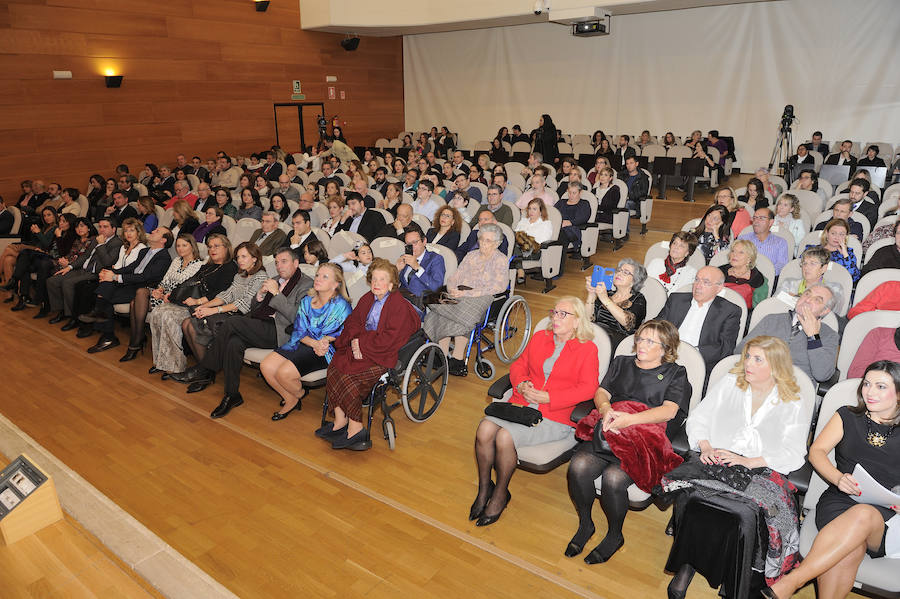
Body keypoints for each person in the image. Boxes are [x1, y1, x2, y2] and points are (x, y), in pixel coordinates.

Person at [664, 336, 807, 598]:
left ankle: (735, 575)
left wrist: (752, 460)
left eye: (757, 359)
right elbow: (699, 418)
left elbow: (795, 453)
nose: (748, 363)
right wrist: (705, 446)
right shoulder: (731, 383)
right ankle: (687, 565)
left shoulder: (792, 400)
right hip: (715, 461)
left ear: (775, 366)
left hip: (759, 469)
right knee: (692, 498)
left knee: (743, 513)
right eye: (748, 357)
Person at [765, 360, 900, 599]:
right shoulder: (847, 415)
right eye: (867, 384)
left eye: (880, 386)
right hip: (840, 500)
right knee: (849, 551)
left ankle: (793, 581)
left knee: (865, 514)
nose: (869, 391)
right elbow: (817, 452)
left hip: (886, 515)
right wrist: (838, 478)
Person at [565, 320, 689, 563]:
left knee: (613, 479)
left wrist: (630, 420)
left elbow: (669, 411)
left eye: (650, 341)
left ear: (665, 348)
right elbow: (602, 392)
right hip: (610, 430)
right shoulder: (622, 362)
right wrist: (606, 409)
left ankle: (614, 534)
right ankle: (586, 524)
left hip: (641, 438)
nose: (641, 344)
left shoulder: (676, 373)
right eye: (641, 338)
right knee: (578, 467)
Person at [473, 297, 600, 527]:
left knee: (503, 437)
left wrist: (551, 397)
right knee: (484, 429)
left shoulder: (587, 349)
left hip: (554, 415)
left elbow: (589, 388)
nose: (556, 317)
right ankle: (484, 489)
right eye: (555, 312)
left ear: (577, 321)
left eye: (564, 314)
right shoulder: (541, 337)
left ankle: (500, 494)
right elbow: (519, 365)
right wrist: (521, 383)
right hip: (522, 404)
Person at [177, 249, 314, 414]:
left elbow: (297, 317)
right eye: (277, 262)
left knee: (231, 322)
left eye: (283, 261)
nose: (279, 266)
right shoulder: (275, 279)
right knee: (234, 343)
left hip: (280, 331)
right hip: (261, 324)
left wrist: (276, 293)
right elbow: (255, 308)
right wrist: (260, 296)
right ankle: (232, 394)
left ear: (296, 263)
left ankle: (206, 368)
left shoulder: (306, 284)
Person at [314, 259, 421, 449]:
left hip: (381, 355)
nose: (376, 284)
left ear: (391, 284)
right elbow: (352, 322)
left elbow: (390, 338)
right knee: (335, 367)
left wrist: (361, 342)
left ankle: (356, 429)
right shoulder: (367, 298)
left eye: (382, 280)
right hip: (363, 348)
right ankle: (340, 422)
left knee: (349, 379)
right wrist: (356, 340)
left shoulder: (398, 306)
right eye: (374, 279)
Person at [259, 262, 351, 420]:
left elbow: (340, 334)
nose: (318, 279)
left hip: (327, 350)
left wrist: (322, 342)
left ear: (336, 284)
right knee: (266, 366)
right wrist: (313, 342)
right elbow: (299, 330)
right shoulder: (307, 301)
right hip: (305, 342)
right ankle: (294, 397)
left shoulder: (342, 305)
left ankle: (296, 394)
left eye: (325, 276)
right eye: (317, 275)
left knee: (283, 374)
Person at [145, 236, 240, 377]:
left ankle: (175, 365)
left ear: (226, 248)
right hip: (191, 301)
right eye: (210, 246)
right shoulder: (208, 265)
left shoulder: (230, 268)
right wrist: (172, 294)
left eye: (216, 246)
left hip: (204, 305)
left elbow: (221, 293)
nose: (212, 249)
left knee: (168, 315)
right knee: (158, 312)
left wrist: (198, 302)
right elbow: (189, 282)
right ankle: (162, 361)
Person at [424, 224, 508, 377]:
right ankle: (444, 356)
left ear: (497, 243)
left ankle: (456, 358)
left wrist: (468, 294)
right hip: (459, 292)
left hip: (481, 296)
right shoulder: (471, 255)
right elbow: (455, 276)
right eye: (482, 239)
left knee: (456, 313)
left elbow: (500, 286)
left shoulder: (500, 260)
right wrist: (452, 289)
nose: (483, 243)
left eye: (488, 241)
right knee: (439, 305)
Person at [81, 226, 174, 353]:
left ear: (163, 240)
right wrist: (111, 272)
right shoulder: (144, 251)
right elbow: (130, 268)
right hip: (130, 283)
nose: (152, 231)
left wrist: (115, 277)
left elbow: (145, 277)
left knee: (105, 296)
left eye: (157, 231)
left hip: (143, 289)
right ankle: (102, 322)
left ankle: (107, 333)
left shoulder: (164, 258)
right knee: (105, 285)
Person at [119, 233, 204, 362]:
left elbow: (186, 288)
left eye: (184, 245)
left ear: (192, 247)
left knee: (135, 302)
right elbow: (165, 280)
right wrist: (160, 290)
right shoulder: (176, 261)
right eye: (178, 246)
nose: (180, 249)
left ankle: (135, 343)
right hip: (164, 295)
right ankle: (137, 340)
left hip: (177, 300)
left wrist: (167, 295)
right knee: (140, 294)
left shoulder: (198, 265)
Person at [740, 283, 840, 382]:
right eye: (807, 294)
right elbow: (740, 351)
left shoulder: (829, 335)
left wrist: (813, 336)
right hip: (757, 380)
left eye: (817, 300)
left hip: (795, 389)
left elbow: (822, 375)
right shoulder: (771, 320)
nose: (808, 300)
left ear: (825, 311)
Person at [658, 266, 742, 378]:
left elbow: (725, 348)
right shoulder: (676, 300)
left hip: (698, 364)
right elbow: (657, 325)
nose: (698, 286)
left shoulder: (729, 311)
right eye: (697, 280)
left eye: (706, 282)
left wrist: (692, 354)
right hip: (664, 356)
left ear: (719, 288)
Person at [585, 258, 648, 348]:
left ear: (634, 281)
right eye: (619, 270)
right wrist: (591, 294)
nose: (619, 273)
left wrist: (605, 299)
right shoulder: (608, 293)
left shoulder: (639, 299)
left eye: (625, 272)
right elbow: (588, 319)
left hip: (616, 342)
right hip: (595, 334)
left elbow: (628, 323)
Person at [396, 227, 445, 301]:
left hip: (419, 303)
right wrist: (397, 271)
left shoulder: (436, 259)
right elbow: (395, 284)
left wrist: (417, 268)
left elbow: (436, 288)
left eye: (415, 242)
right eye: (408, 244)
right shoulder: (405, 257)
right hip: (401, 298)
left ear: (424, 241)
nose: (412, 247)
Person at [738, 207, 789, 275]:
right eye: (755, 218)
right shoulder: (743, 239)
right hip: (743, 277)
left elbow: (781, 265)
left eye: (761, 218)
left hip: (768, 278)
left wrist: (765, 273)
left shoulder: (780, 243)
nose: (756, 221)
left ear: (771, 222)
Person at [719, 239, 768, 309]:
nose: (734, 254)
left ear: (749, 259)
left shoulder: (758, 279)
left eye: (741, 252)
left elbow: (758, 309)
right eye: (733, 251)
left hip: (744, 316)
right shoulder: (719, 272)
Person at [811, 218, 861, 283]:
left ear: (846, 236)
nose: (837, 237)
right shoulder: (813, 251)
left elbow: (854, 277)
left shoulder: (848, 254)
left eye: (841, 234)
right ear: (826, 233)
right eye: (833, 233)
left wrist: (845, 255)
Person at [556, 183, 592, 252]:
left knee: (561, 235)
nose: (571, 195)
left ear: (580, 192)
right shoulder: (561, 202)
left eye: (574, 193)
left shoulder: (584, 204)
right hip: (558, 227)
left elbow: (584, 218)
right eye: (569, 192)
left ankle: (558, 261)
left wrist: (570, 222)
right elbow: (553, 213)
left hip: (572, 230)